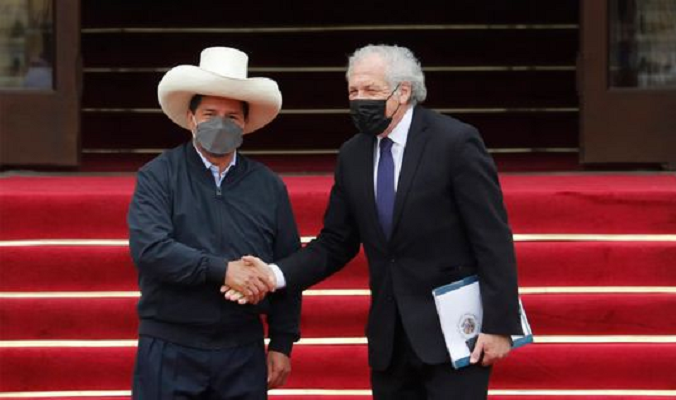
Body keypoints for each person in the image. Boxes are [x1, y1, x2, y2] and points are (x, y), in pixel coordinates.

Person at [227, 44, 523, 399]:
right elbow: (335, 243)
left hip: (455, 334)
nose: (359, 100)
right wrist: (273, 275)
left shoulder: (454, 142)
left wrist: (500, 325)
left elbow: (491, 237)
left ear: (403, 91)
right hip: (390, 341)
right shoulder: (353, 154)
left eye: (370, 90)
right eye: (353, 91)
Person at [127, 47, 301, 399]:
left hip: (242, 350)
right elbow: (151, 249)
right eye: (209, 114)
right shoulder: (158, 176)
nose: (220, 123)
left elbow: (288, 265)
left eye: (232, 116)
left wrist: (282, 341)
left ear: (245, 124)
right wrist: (223, 271)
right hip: (170, 344)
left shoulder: (269, 186)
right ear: (191, 118)